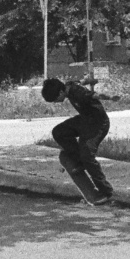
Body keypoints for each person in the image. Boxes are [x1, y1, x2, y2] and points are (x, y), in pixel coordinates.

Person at [41, 76, 113, 204]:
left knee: (88, 157)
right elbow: (81, 81)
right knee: (59, 132)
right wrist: (90, 80)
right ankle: (78, 160)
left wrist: (110, 97)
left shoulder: (78, 93)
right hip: (85, 120)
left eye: (56, 99)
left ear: (61, 92)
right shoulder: (68, 85)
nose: (56, 102)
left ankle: (105, 191)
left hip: (98, 125)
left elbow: (94, 95)